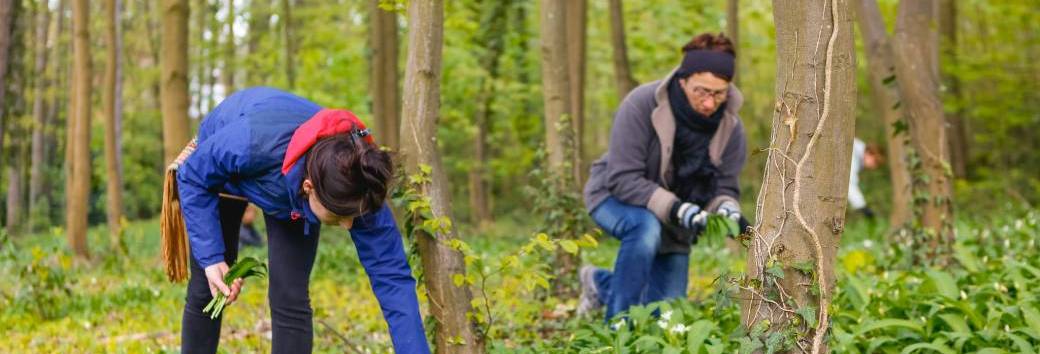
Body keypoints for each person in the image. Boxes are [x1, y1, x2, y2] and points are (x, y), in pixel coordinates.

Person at [173, 87, 429, 353]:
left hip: (288, 182)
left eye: (353, 216)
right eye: (339, 216)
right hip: (222, 173)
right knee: (209, 288)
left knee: (290, 295)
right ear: (309, 187)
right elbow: (193, 176)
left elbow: (393, 280)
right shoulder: (249, 142)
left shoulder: (360, 185)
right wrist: (212, 258)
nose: (348, 225)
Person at [578, 33, 748, 320]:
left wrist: (726, 208)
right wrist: (678, 209)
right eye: (701, 91)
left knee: (665, 313)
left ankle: (599, 284)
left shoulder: (732, 127)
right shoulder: (642, 103)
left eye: (719, 94)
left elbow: (724, 186)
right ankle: (618, 328)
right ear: (683, 80)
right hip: (613, 196)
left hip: (676, 220)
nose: (709, 103)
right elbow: (622, 177)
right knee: (645, 229)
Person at [849, 138, 883, 218]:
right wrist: (862, 207)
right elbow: (849, 184)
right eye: (875, 162)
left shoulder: (857, 151)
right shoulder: (854, 153)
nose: (874, 167)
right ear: (870, 153)